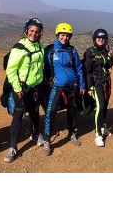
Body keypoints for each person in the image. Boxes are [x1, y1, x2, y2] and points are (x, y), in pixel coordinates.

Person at [3, 18, 45, 163]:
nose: (34, 34)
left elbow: (41, 67)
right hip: (21, 87)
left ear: (40, 33)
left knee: (34, 111)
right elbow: (11, 70)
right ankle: (13, 147)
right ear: (26, 31)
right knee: (18, 114)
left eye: (37, 31)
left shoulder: (40, 47)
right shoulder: (18, 48)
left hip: (35, 87)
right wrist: (17, 87)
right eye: (31, 31)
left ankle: (35, 134)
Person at [43, 22, 86, 156]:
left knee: (72, 111)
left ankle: (71, 133)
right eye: (62, 35)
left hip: (72, 87)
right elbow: (42, 67)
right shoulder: (49, 50)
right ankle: (47, 139)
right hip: (57, 87)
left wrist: (82, 85)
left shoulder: (71, 50)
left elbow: (79, 68)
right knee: (50, 111)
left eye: (67, 36)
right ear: (57, 35)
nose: (65, 38)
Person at [83, 29, 113, 147]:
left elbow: (109, 65)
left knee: (105, 105)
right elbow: (88, 71)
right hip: (96, 83)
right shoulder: (90, 52)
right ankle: (98, 135)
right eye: (98, 39)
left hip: (106, 82)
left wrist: (110, 56)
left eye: (103, 39)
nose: (101, 41)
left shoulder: (106, 51)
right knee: (100, 106)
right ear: (94, 39)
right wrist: (90, 87)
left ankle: (102, 126)